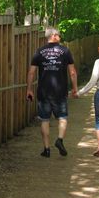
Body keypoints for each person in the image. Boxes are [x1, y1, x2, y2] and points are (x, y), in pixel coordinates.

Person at [26, 27, 79, 157]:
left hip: (43, 92)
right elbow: (72, 72)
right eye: (59, 35)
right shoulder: (65, 51)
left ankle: (46, 149)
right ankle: (60, 140)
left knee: (44, 120)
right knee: (62, 117)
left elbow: (31, 72)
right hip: (60, 91)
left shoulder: (39, 51)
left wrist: (29, 89)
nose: (60, 37)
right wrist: (75, 88)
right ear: (54, 36)